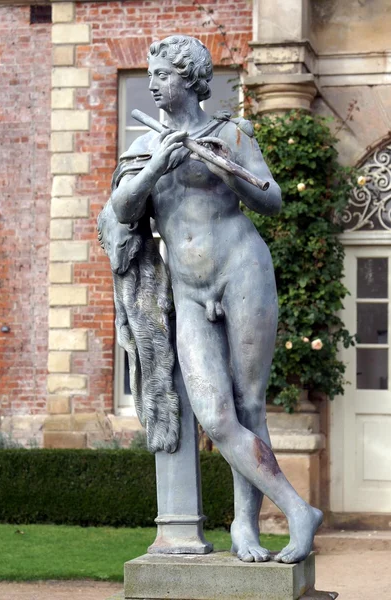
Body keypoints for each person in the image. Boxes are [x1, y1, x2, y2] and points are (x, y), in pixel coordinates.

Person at [112, 34, 323, 564]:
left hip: (241, 267)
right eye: (152, 74)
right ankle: (299, 509)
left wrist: (228, 166)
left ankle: (245, 529)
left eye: (163, 74)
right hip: (188, 287)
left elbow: (271, 200)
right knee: (214, 413)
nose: (154, 83)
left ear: (190, 78)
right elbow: (122, 209)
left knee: (250, 405)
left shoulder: (229, 133)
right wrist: (159, 164)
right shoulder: (145, 143)